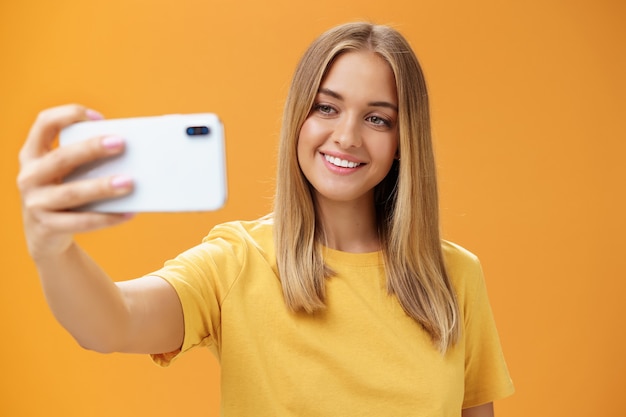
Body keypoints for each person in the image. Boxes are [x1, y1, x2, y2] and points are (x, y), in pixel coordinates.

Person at [17, 22, 514, 416]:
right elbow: (112, 324)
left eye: (377, 117)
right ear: (299, 115)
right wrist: (52, 249)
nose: (347, 136)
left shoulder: (454, 276)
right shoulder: (237, 262)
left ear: (405, 139)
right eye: (326, 107)